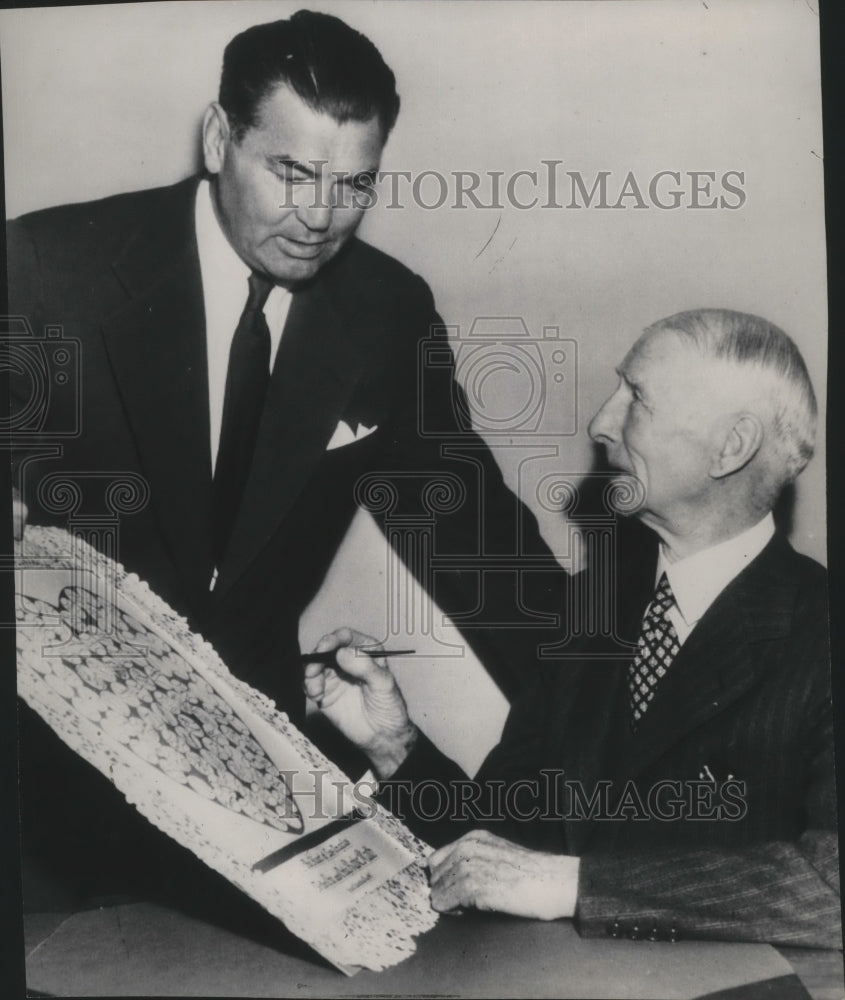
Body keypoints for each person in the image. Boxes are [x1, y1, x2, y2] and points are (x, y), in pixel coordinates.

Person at [7, 10, 564, 907]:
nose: (319, 217)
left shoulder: (387, 314)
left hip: (251, 794)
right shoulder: (43, 269)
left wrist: (627, 698)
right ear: (220, 137)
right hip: (44, 792)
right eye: (292, 172)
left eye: (352, 184)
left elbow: (485, 547)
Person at [307, 309, 840, 949]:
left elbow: (830, 893)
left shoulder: (821, 631)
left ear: (731, 447)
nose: (600, 424)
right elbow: (501, 846)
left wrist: (574, 885)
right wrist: (393, 745)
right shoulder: (596, 607)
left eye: (636, 398)